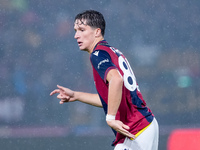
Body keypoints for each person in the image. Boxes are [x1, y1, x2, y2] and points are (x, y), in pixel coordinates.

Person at [50, 10, 159, 150]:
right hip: (145, 125)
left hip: (135, 129)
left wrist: (110, 118)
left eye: (82, 30)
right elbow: (112, 98)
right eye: (76, 30)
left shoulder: (97, 54)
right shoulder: (111, 51)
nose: (76, 35)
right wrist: (76, 95)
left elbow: (116, 80)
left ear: (97, 32)